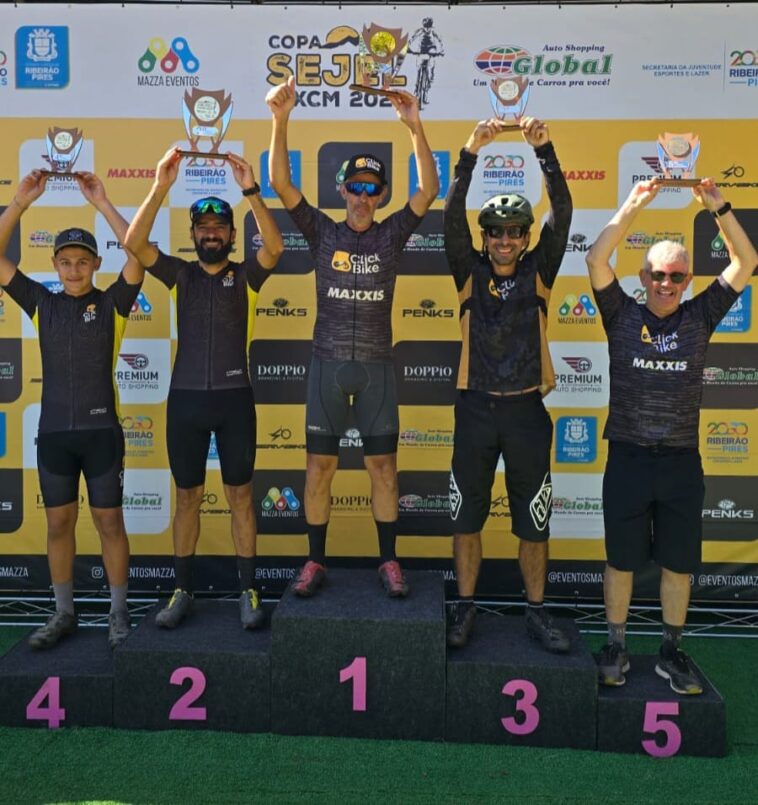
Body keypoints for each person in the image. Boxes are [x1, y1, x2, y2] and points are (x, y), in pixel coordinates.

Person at [266, 77, 438, 598]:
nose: (363, 197)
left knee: (383, 469)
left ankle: (389, 561)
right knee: (319, 469)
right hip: (327, 365)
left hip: (377, 370)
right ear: (342, 190)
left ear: (380, 195)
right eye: (355, 187)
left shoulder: (391, 233)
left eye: (372, 189)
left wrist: (414, 126)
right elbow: (280, 183)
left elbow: (428, 190)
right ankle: (314, 561)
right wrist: (280, 119)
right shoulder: (323, 230)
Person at [586, 178, 757, 693]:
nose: (666, 283)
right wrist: (634, 204)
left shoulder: (700, 316)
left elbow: (746, 261)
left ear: (688, 280)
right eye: (658, 274)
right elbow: (596, 258)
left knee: (678, 565)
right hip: (628, 458)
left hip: (681, 461)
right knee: (621, 561)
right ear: (643, 276)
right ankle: (616, 646)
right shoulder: (621, 314)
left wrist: (718, 207)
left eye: (676, 276)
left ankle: (670, 652)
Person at [124, 149, 283, 630]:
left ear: (232, 235)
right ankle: (182, 591)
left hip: (235, 402)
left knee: (241, 497)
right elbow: (134, 243)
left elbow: (275, 248)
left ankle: (248, 591)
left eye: (219, 227)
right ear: (193, 234)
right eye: (203, 227)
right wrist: (161, 184)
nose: (211, 233)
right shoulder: (181, 275)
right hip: (186, 403)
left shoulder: (245, 276)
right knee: (187, 498)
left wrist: (251, 191)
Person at [0, 171, 145, 650]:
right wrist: (19, 203)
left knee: (110, 524)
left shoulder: (113, 304)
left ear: (96, 263)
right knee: (59, 524)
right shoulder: (42, 303)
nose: (74, 270)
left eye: (83, 261)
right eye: (65, 262)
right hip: (55, 436)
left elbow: (138, 255)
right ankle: (64, 613)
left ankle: (118, 614)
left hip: (102, 435)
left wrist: (101, 202)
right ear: (55, 265)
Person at [444, 117, 573, 651]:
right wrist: (470, 153)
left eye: (514, 231)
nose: (503, 239)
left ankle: (536, 613)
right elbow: (450, 215)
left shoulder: (540, 270)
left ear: (525, 237)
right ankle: (465, 608)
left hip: (526, 414)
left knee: (534, 524)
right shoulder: (467, 271)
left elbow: (562, 212)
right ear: (484, 238)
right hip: (475, 411)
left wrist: (544, 151)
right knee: (466, 519)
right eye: (495, 231)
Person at [407, 18, 445, 108]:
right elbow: (412, 39)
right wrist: (408, 47)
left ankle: (430, 79)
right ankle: (417, 88)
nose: (427, 29)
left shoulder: (434, 33)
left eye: (429, 27)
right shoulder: (419, 31)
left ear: (431, 27)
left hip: (431, 49)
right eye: (425, 27)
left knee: (431, 64)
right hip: (422, 49)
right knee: (419, 68)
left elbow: (440, 41)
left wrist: (441, 50)